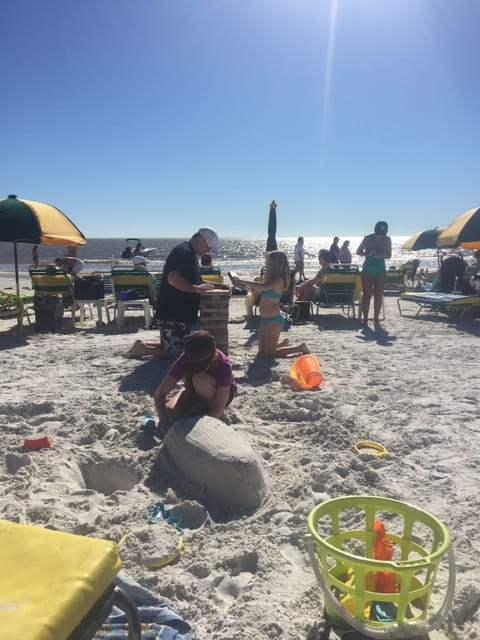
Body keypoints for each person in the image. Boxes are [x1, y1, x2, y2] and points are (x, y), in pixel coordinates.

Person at [127, 228, 229, 359]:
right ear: (202, 240)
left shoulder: (188, 252)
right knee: (184, 353)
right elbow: (173, 279)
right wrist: (196, 289)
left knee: (179, 345)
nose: (207, 252)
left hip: (178, 316)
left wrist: (218, 285)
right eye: (208, 248)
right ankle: (144, 350)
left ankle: (143, 346)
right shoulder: (185, 253)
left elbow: (196, 281)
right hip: (174, 315)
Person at [153, 331, 237, 438]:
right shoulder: (184, 359)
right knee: (170, 412)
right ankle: (198, 407)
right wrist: (163, 420)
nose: (197, 367)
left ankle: (205, 410)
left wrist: (198, 428)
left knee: (199, 379)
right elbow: (160, 393)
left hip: (220, 395)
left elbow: (218, 407)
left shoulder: (223, 364)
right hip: (195, 391)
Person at [233, 251, 309, 358]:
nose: (266, 263)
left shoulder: (277, 279)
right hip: (265, 318)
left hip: (274, 319)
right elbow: (262, 289)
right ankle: (282, 344)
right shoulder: (270, 279)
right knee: (262, 351)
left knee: (271, 353)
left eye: (268, 261)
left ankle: (300, 347)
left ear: (274, 264)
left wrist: (243, 281)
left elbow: (263, 287)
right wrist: (248, 286)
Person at [356, 221, 392, 326]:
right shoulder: (368, 238)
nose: (380, 236)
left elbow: (389, 255)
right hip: (368, 268)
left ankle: (376, 319)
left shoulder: (387, 240)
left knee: (378, 294)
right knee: (367, 295)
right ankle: (366, 319)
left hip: (380, 268)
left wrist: (381, 256)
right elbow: (358, 251)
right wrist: (368, 253)